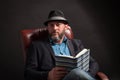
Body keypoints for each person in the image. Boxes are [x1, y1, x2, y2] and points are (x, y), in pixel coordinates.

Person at [24, 10, 99, 80]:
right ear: (48, 27)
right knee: (76, 72)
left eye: (58, 25)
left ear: (66, 27)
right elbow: (28, 73)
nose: (54, 28)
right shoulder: (37, 46)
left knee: (77, 72)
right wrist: (47, 75)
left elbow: (93, 63)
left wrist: (86, 75)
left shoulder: (76, 44)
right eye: (51, 25)